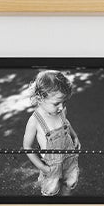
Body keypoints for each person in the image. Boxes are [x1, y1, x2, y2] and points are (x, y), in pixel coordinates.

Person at [23, 70, 81, 198]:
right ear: (40, 97)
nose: (61, 107)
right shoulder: (35, 121)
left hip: (69, 157)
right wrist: (42, 168)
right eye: (56, 103)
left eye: (64, 102)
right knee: (51, 190)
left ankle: (65, 200)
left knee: (70, 181)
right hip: (51, 166)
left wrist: (74, 135)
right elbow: (27, 147)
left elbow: (66, 123)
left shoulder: (60, 111)